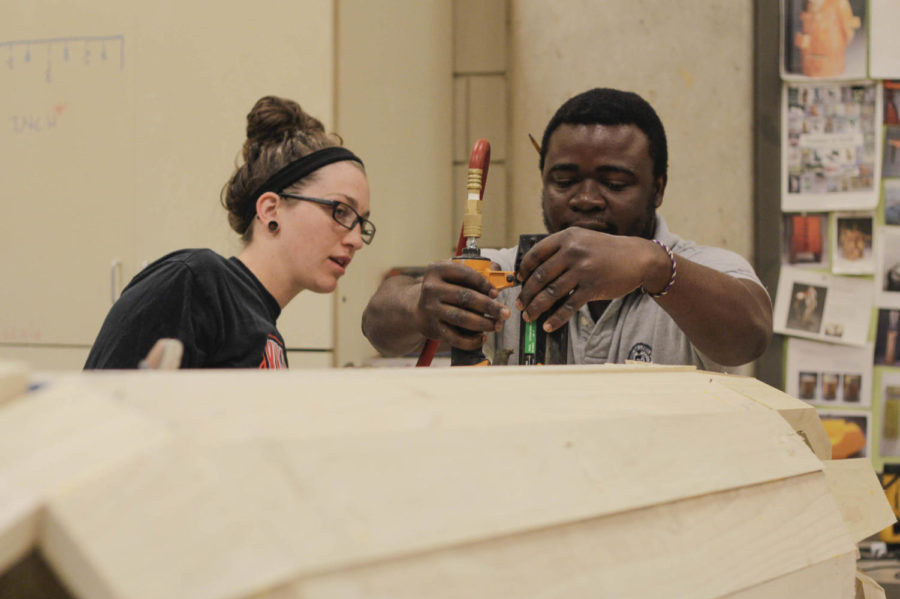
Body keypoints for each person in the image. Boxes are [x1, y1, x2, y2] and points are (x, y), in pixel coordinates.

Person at [362, 87, 772, 370]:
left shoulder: (697, 269)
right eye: (564, 180)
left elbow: (750, 336)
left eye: (614, 183)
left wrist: (654, 265)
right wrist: (421, 304)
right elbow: (379, 324)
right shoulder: (508, 273)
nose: (586, 199)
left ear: (658, 188)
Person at [84, 96, 374, 369]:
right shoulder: (192, 281)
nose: (356, 239)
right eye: (341, 211)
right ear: (271, 211)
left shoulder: (265, 333)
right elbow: (105, 409)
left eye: (362, 222)